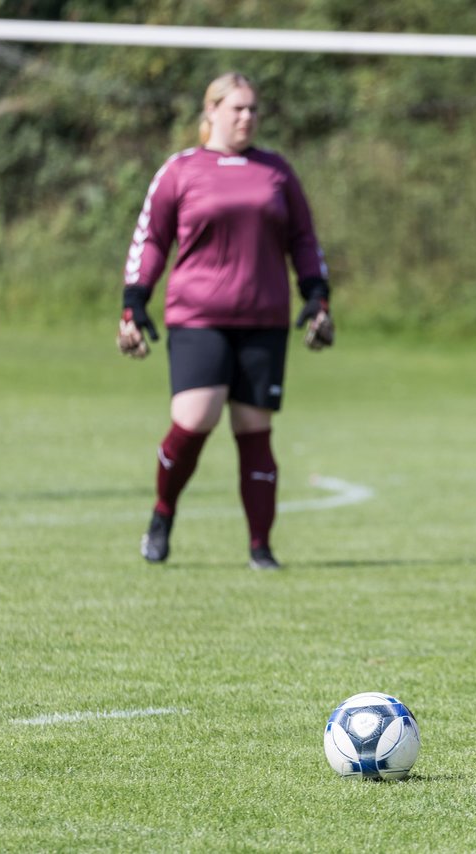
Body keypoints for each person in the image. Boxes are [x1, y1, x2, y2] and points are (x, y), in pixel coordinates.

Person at [116, 72, 334, 570]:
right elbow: (150, 239)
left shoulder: (276, 170)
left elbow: (303, 238)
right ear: (210, 111)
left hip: (264, 319)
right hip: (197, 317)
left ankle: (261, 548)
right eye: (237, 108)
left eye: (254, 109)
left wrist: (317, 295)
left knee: (254, 429)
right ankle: (162, 512)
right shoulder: (181, 169)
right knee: (195, 419)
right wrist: (135, 300)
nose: (247, 117)